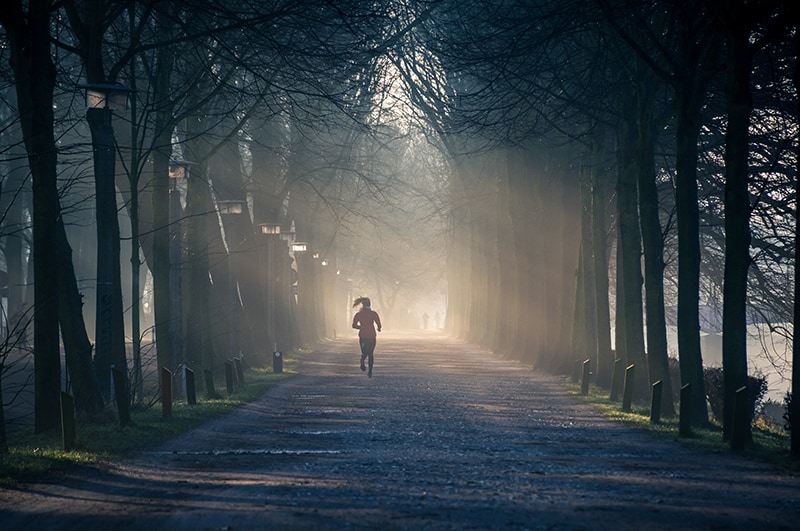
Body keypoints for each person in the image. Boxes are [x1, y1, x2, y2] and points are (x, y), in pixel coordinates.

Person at [352, 296, 381, 377]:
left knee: (364, 352)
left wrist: (361, 327)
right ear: (370, 304)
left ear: (362, 304)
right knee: (371, 353)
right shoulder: (373, 313)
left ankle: (362, 359)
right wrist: (379, 328)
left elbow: (354, 325)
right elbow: (378, 324)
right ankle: (370, 371)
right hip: (372, 335)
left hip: (363, 336)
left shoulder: (358, 314)